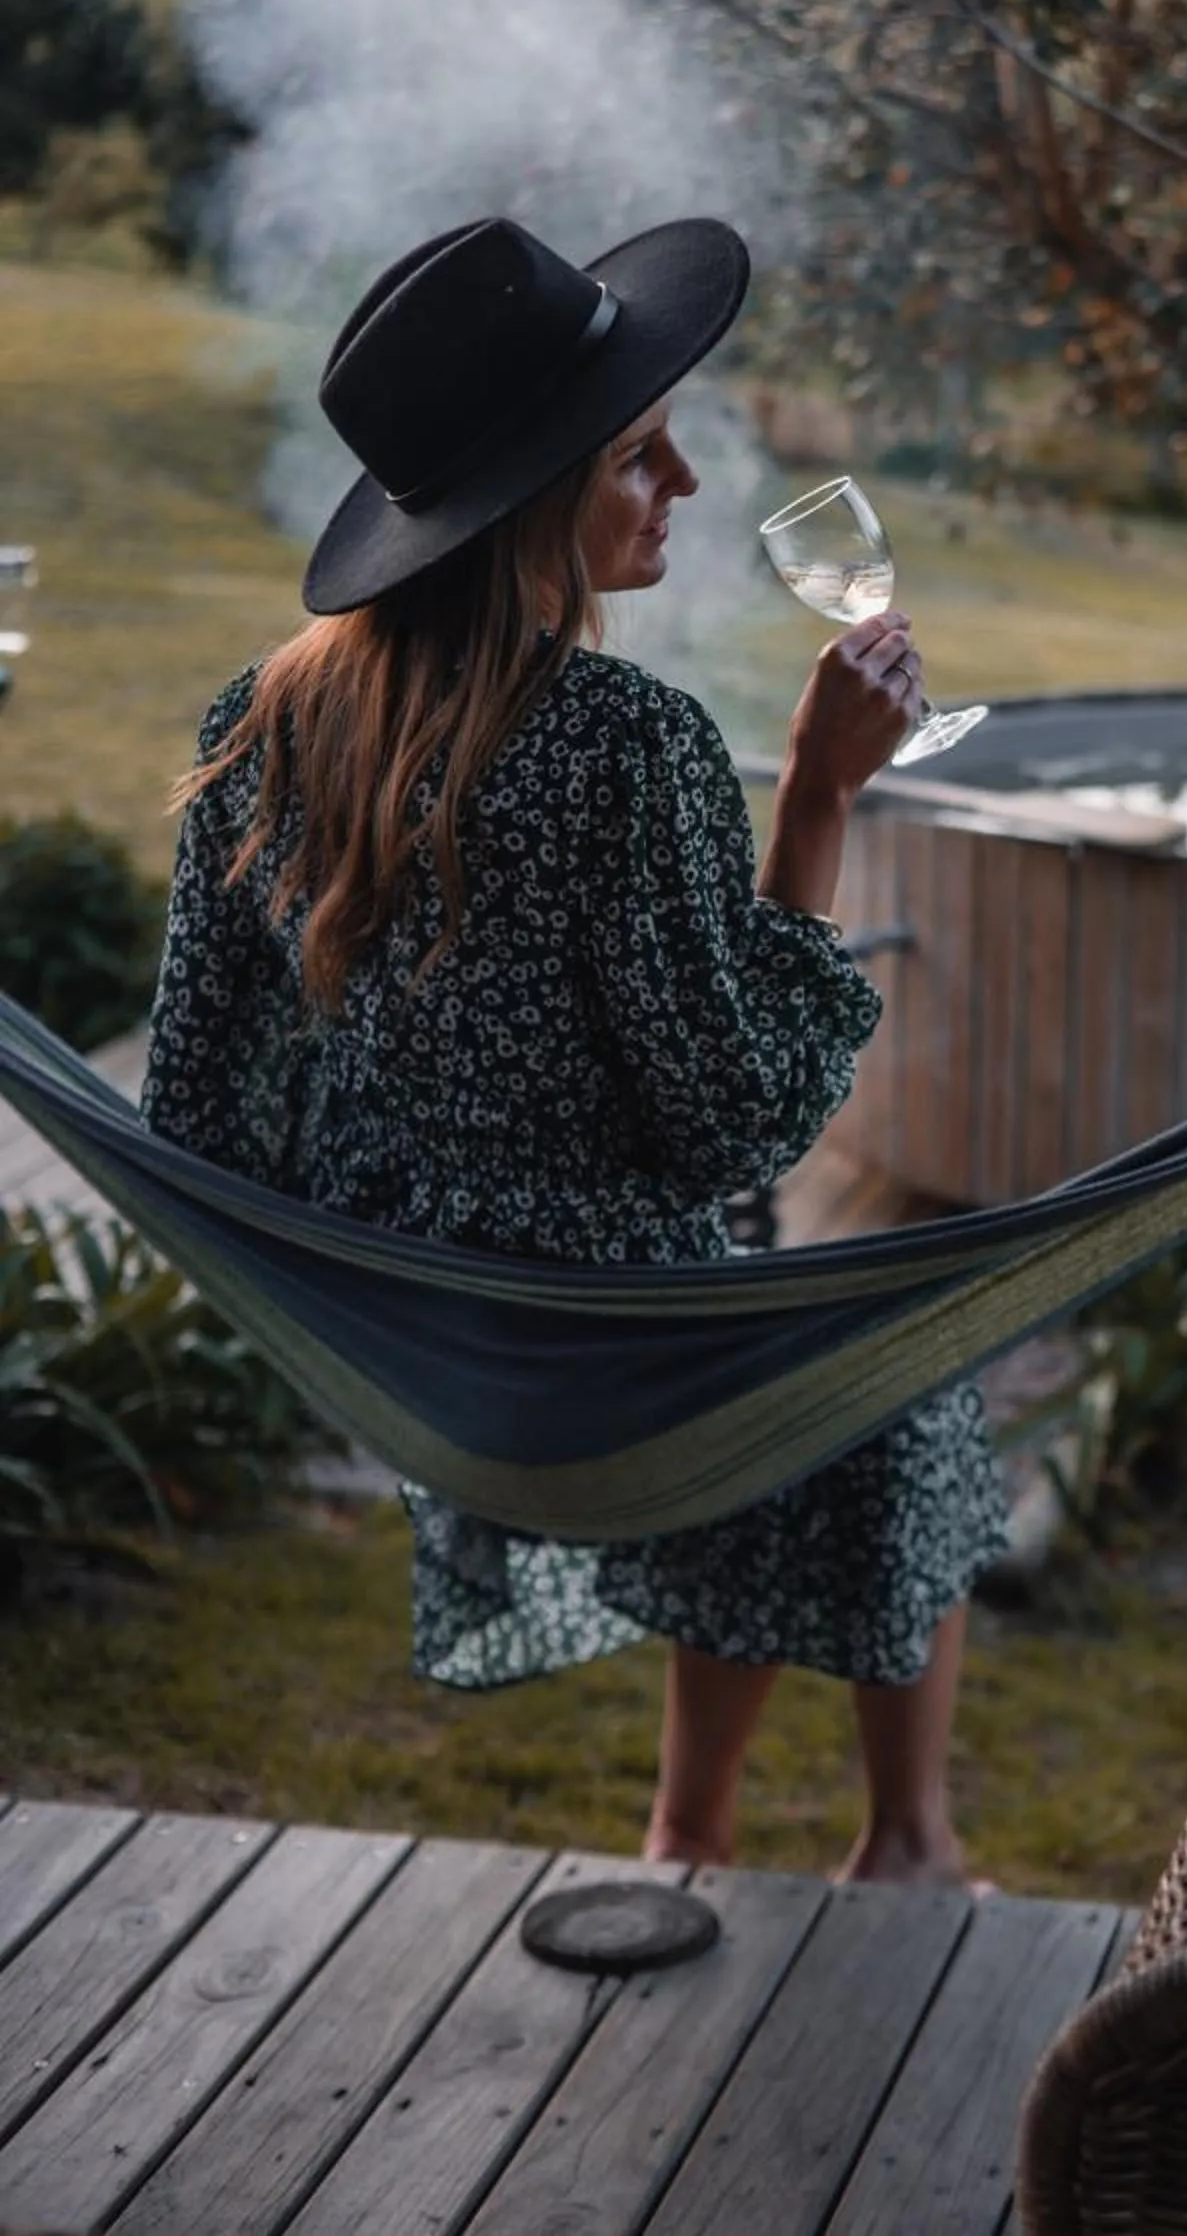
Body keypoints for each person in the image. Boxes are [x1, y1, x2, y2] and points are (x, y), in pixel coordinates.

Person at [142, 212, 1009, 1885]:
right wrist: (822, 795)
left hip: (414, 1342)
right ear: (536, 501)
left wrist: (382, 1227)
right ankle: (898, 1835)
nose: (682, 481)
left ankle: (697, 1828)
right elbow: (739, 1126)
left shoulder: (258, 720)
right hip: (598, 1358)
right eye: (637, 455)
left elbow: (199, 1113)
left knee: (802, 1361)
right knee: (896, 1374)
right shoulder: (630, 749)